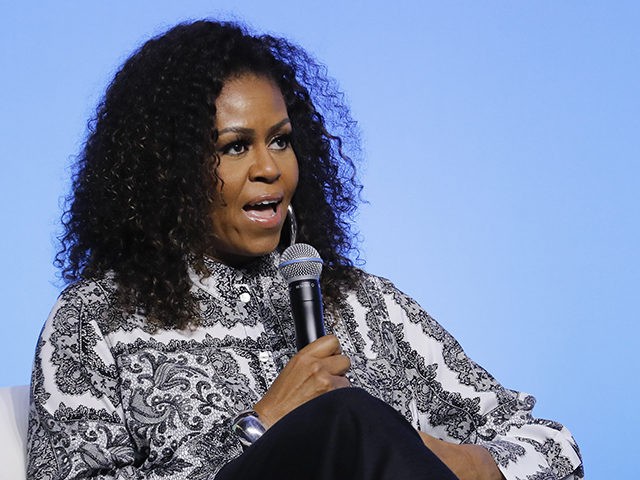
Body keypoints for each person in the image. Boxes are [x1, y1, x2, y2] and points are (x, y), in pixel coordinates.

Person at [26, 20, 583, 480]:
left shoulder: (365, 306)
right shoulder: (94, 321)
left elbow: (554, 448)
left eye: (282, 141)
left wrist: (439, 457)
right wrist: (262, 425)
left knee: (358, 422)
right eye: (235, 146)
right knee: (347, 419)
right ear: (167, 170)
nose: (269, 168)